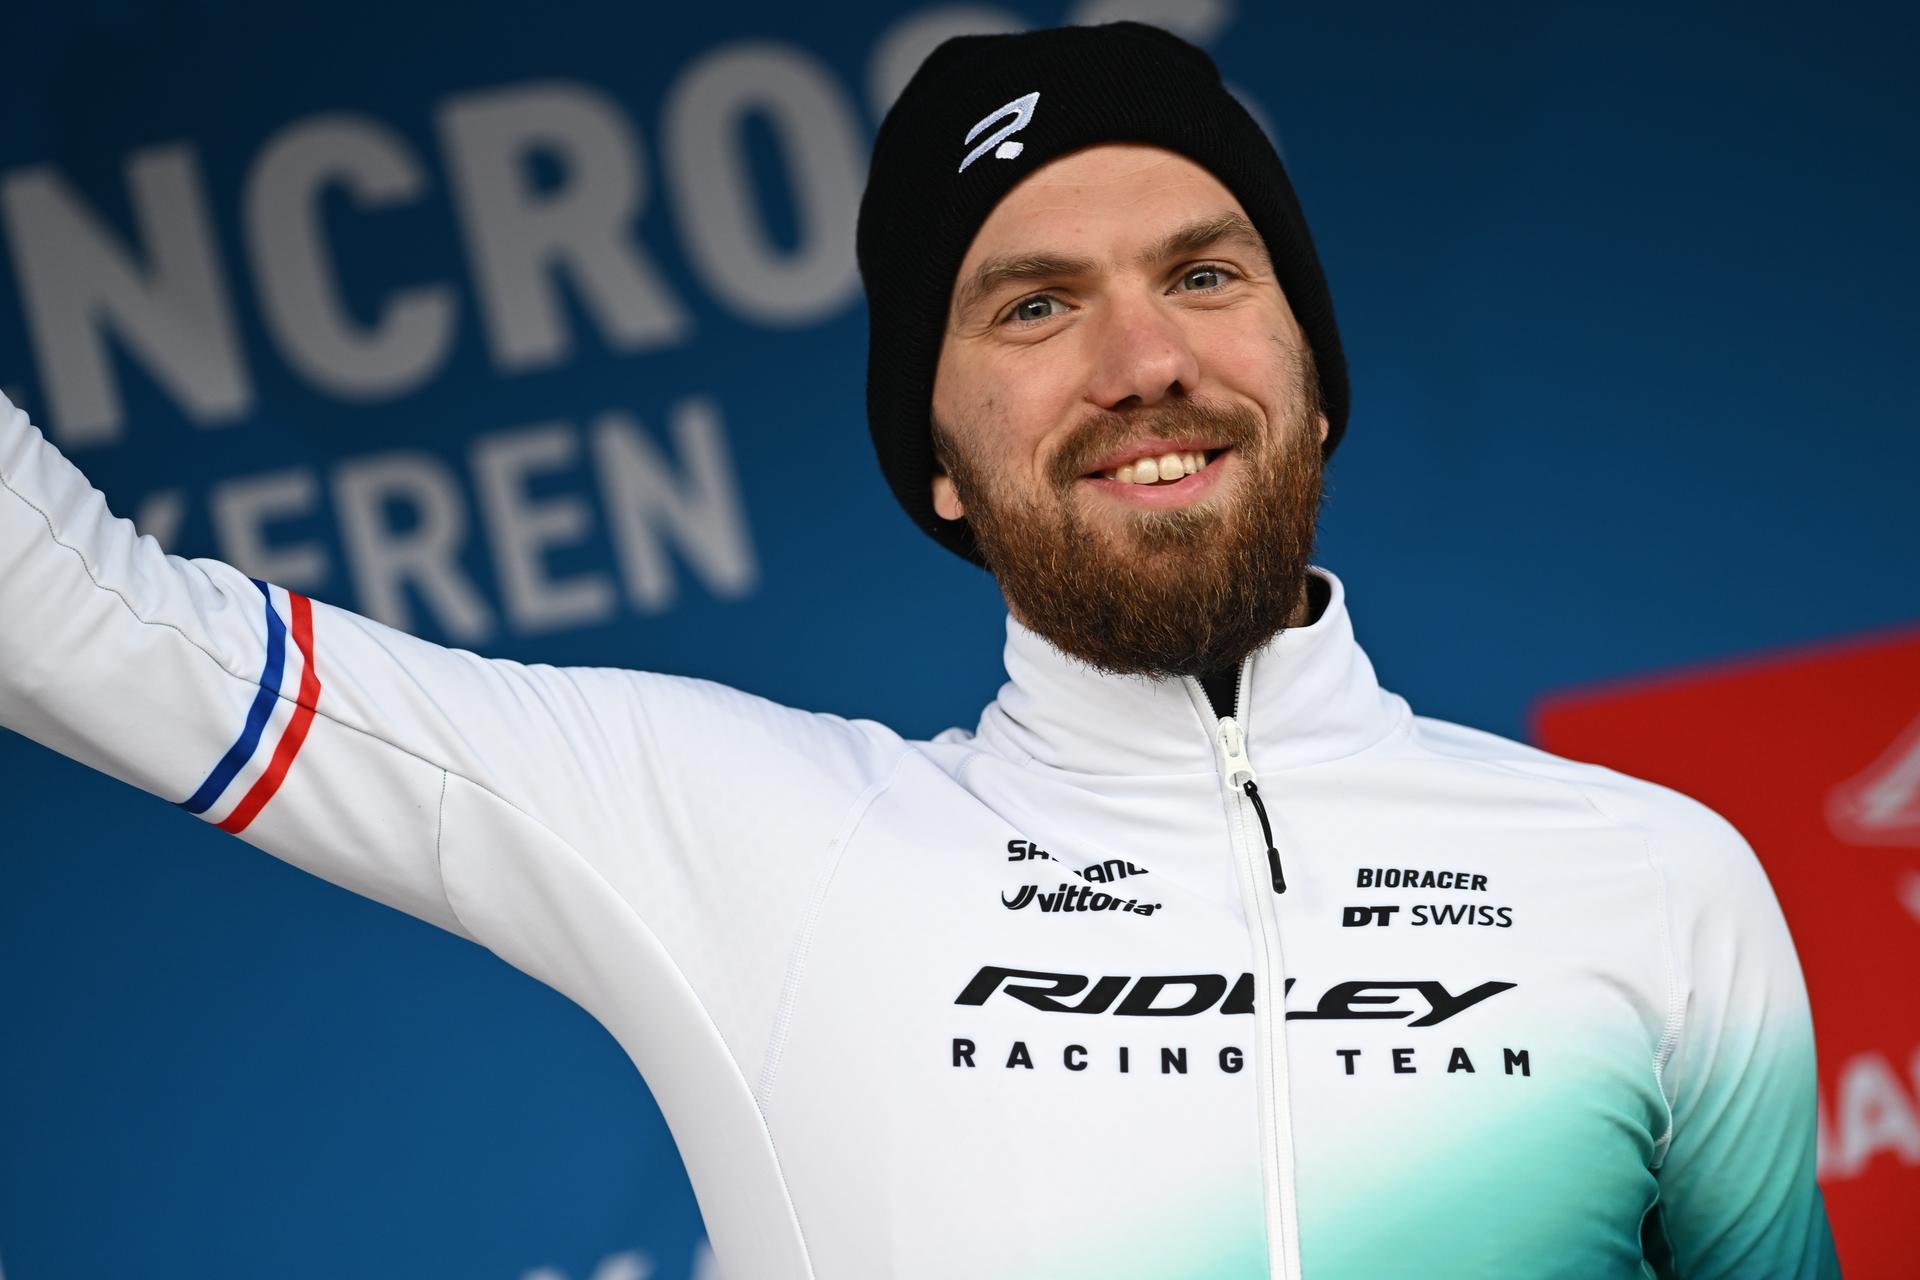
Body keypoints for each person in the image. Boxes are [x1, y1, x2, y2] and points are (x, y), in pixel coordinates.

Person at [0, 21, 1837, 1280]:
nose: (1143, 363)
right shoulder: (742, 837)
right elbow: (86, 622)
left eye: (1205, 274)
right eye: (1035, 305)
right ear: (938, 460)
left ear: (1313, 373)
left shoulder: (1657, 880)